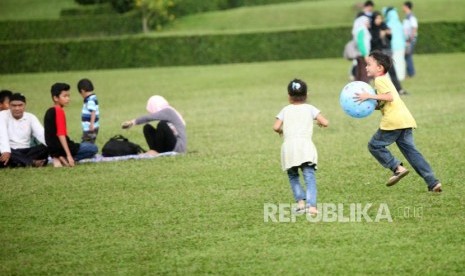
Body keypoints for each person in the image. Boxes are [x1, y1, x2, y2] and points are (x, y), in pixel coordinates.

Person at [354, 50, 442, 192]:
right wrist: (370, 104)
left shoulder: (379, 80)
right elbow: (384, 102)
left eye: (369, 64)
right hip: (405, 120)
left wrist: (368, 96)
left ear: (379, 68)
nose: (366, 67)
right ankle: (433, 182)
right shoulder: (385, 80)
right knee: (412, 153)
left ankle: (397, 168)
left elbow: (389, 97)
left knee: (374, 145)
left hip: (394, 122)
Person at [273, 79, 329, 215]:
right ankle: (312, 207)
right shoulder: (310, 108)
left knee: (293, 176)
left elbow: (275, 127)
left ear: (289, 96)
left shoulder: (285, 110)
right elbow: (325, 122)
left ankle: (300, 203)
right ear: (307, 95)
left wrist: (281, 131)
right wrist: (320, 123)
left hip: (289, 149)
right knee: (309, 175)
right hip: (305, 148)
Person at [44, 83, 98, 167]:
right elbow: (61, 134)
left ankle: (60, 157)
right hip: (61, 148)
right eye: (65, 96)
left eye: (68, 96)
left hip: (53, 149)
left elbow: (49, 136)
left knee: (85, 145)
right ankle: (65, 158)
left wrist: (54, 154)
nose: (68, 99)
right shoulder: (59, 111)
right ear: (55, 98)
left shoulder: (49, 110)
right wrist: (69, 155)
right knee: (93, 148)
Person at [121, 95, 186, 155]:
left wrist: (133, 122)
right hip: (170, 144)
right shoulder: (168, 111)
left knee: (162, 125)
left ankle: (157, 151)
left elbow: (149, 117)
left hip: (177, 148)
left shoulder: (168, 111)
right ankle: (155, 150)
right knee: (147, 128)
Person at [0, 93, 48, 168]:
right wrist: (6, 151)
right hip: (9, 150)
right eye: (14, 105)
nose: (17, 108)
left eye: (20, 105)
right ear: (9, 106)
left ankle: (18, 162)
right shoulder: (2, 115)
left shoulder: (30, 117)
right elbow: (2, 135)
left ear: (25, 105)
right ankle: (31, 162)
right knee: (2, 153)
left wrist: (54, 148)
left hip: (26, 150)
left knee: (47, 147)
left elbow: (41, 134)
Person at [370, 11, 407, 95]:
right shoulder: (371, 29)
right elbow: (373, 43)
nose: (379, 20)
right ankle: (378, 92)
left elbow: (389, 38)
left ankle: (399, 89)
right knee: (377, 74)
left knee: (392, 71)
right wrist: (380, 36)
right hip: (377, 55)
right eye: (377, 18)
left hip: (386, 54)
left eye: (380, 18)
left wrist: (389, 33)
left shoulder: (384, 25)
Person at [383, 7, 406, 81]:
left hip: (392, 46)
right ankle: (401, 76)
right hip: (401, 46)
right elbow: (404, 35)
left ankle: (391, 77)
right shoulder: (399, 24)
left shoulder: (388, 24)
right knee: (400, 61)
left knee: (391, 62)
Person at [77, 78, 100, 143]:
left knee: (86, 143)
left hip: (90, 128)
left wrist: (91, 124)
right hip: (93, 126)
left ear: (82, 91)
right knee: (90, 142)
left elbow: (93, 112)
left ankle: (90, 152)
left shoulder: (90, 100)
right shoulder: (93, 97)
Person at [352, 14, 372, 83]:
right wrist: (365, 54)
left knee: (359, 71)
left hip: (361, 53)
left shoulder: (359, 29)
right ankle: (364, 85)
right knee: (364, 71)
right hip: (363, 53)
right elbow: (361, 43)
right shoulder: (362, 29)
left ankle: (357, 85)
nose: (368, 22)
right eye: (367, 21)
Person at [403, 1, 418, 78]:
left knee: (408, 55)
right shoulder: (407, 16)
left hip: (410, 39)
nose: (402, 8)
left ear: (406, 7)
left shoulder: (411, 17)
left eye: (403, 6)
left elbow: (414, 28)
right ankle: (409, 72)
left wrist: (410, 39)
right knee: (407, 56)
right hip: (407, 39)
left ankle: (411, 73)